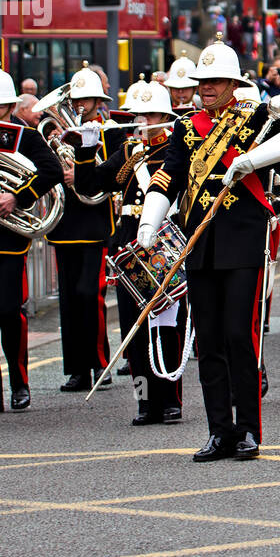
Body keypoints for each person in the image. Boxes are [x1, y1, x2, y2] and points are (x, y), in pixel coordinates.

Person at [138, 37, 280, 460]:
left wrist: (252, 160)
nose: (208, 87)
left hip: (242, 240)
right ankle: (220, 430)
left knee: (240, 334)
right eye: (204, 81)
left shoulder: (256, 116)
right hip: (200, 243)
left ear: (234, 83)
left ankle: (250, 429)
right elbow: (169, 176)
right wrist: (149, 222)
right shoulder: (184, 127)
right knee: (210, 341)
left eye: (217, 80)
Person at [77, 79, 185, 425]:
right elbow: (89, 185)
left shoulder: (175, 150)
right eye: (139, 115)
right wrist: (85, 150)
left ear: (165, 116)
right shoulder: (127, 153)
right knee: (132, 330)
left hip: (164, 242)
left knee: (167, 326)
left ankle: (170, 400)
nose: (143, 121)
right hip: (129, 248)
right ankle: (144, 400)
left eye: (150, 114)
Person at [0, 65, 63, 416]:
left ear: (11, 106)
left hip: (9, 235)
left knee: (9, 311)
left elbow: (51, 171)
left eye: (0, 106)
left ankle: (19, 384)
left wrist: (17, 198)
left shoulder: (27, 136)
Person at [47, 65, 121, 392]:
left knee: (90, 294)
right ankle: (77, 368)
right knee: (69, 299)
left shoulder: (110, 131)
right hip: (65, 223)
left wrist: (82, 174)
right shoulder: (58, 132)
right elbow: (46, 170)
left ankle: (99, 362)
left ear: (97, 100)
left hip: (95, 223)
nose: (81, 105)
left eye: (87, 100)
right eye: (76, 99)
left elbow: (114, 173)